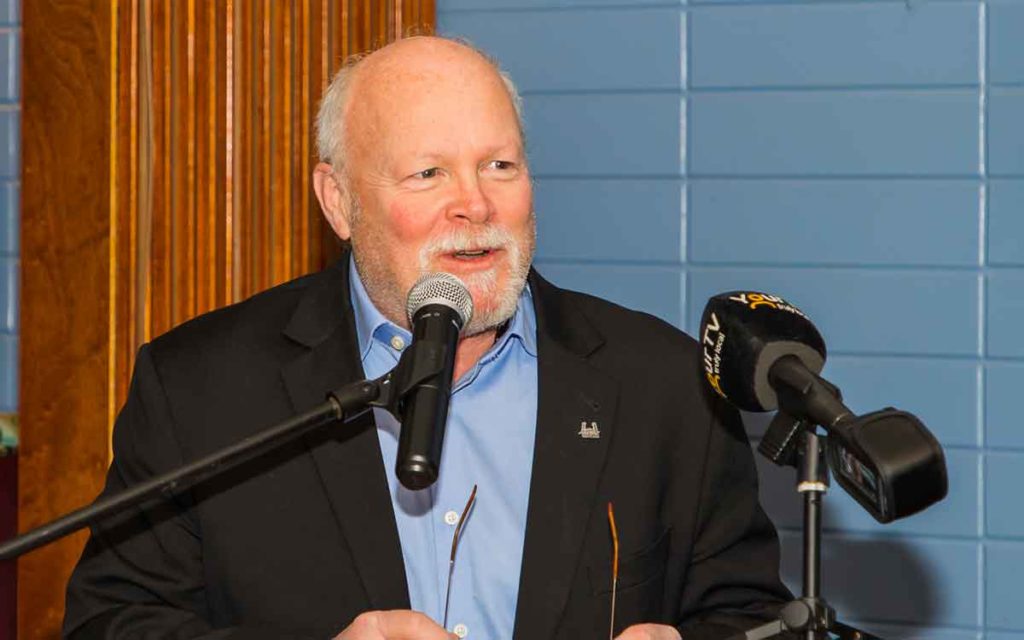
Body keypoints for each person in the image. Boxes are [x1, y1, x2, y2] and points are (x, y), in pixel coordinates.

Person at [63, 36, 792, 640]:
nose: (474, 203)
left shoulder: (665, 385)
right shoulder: (202, 387)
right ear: (338, 201)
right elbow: (111, 624)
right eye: (427, 172)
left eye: (499, 165)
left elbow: (753, 617)